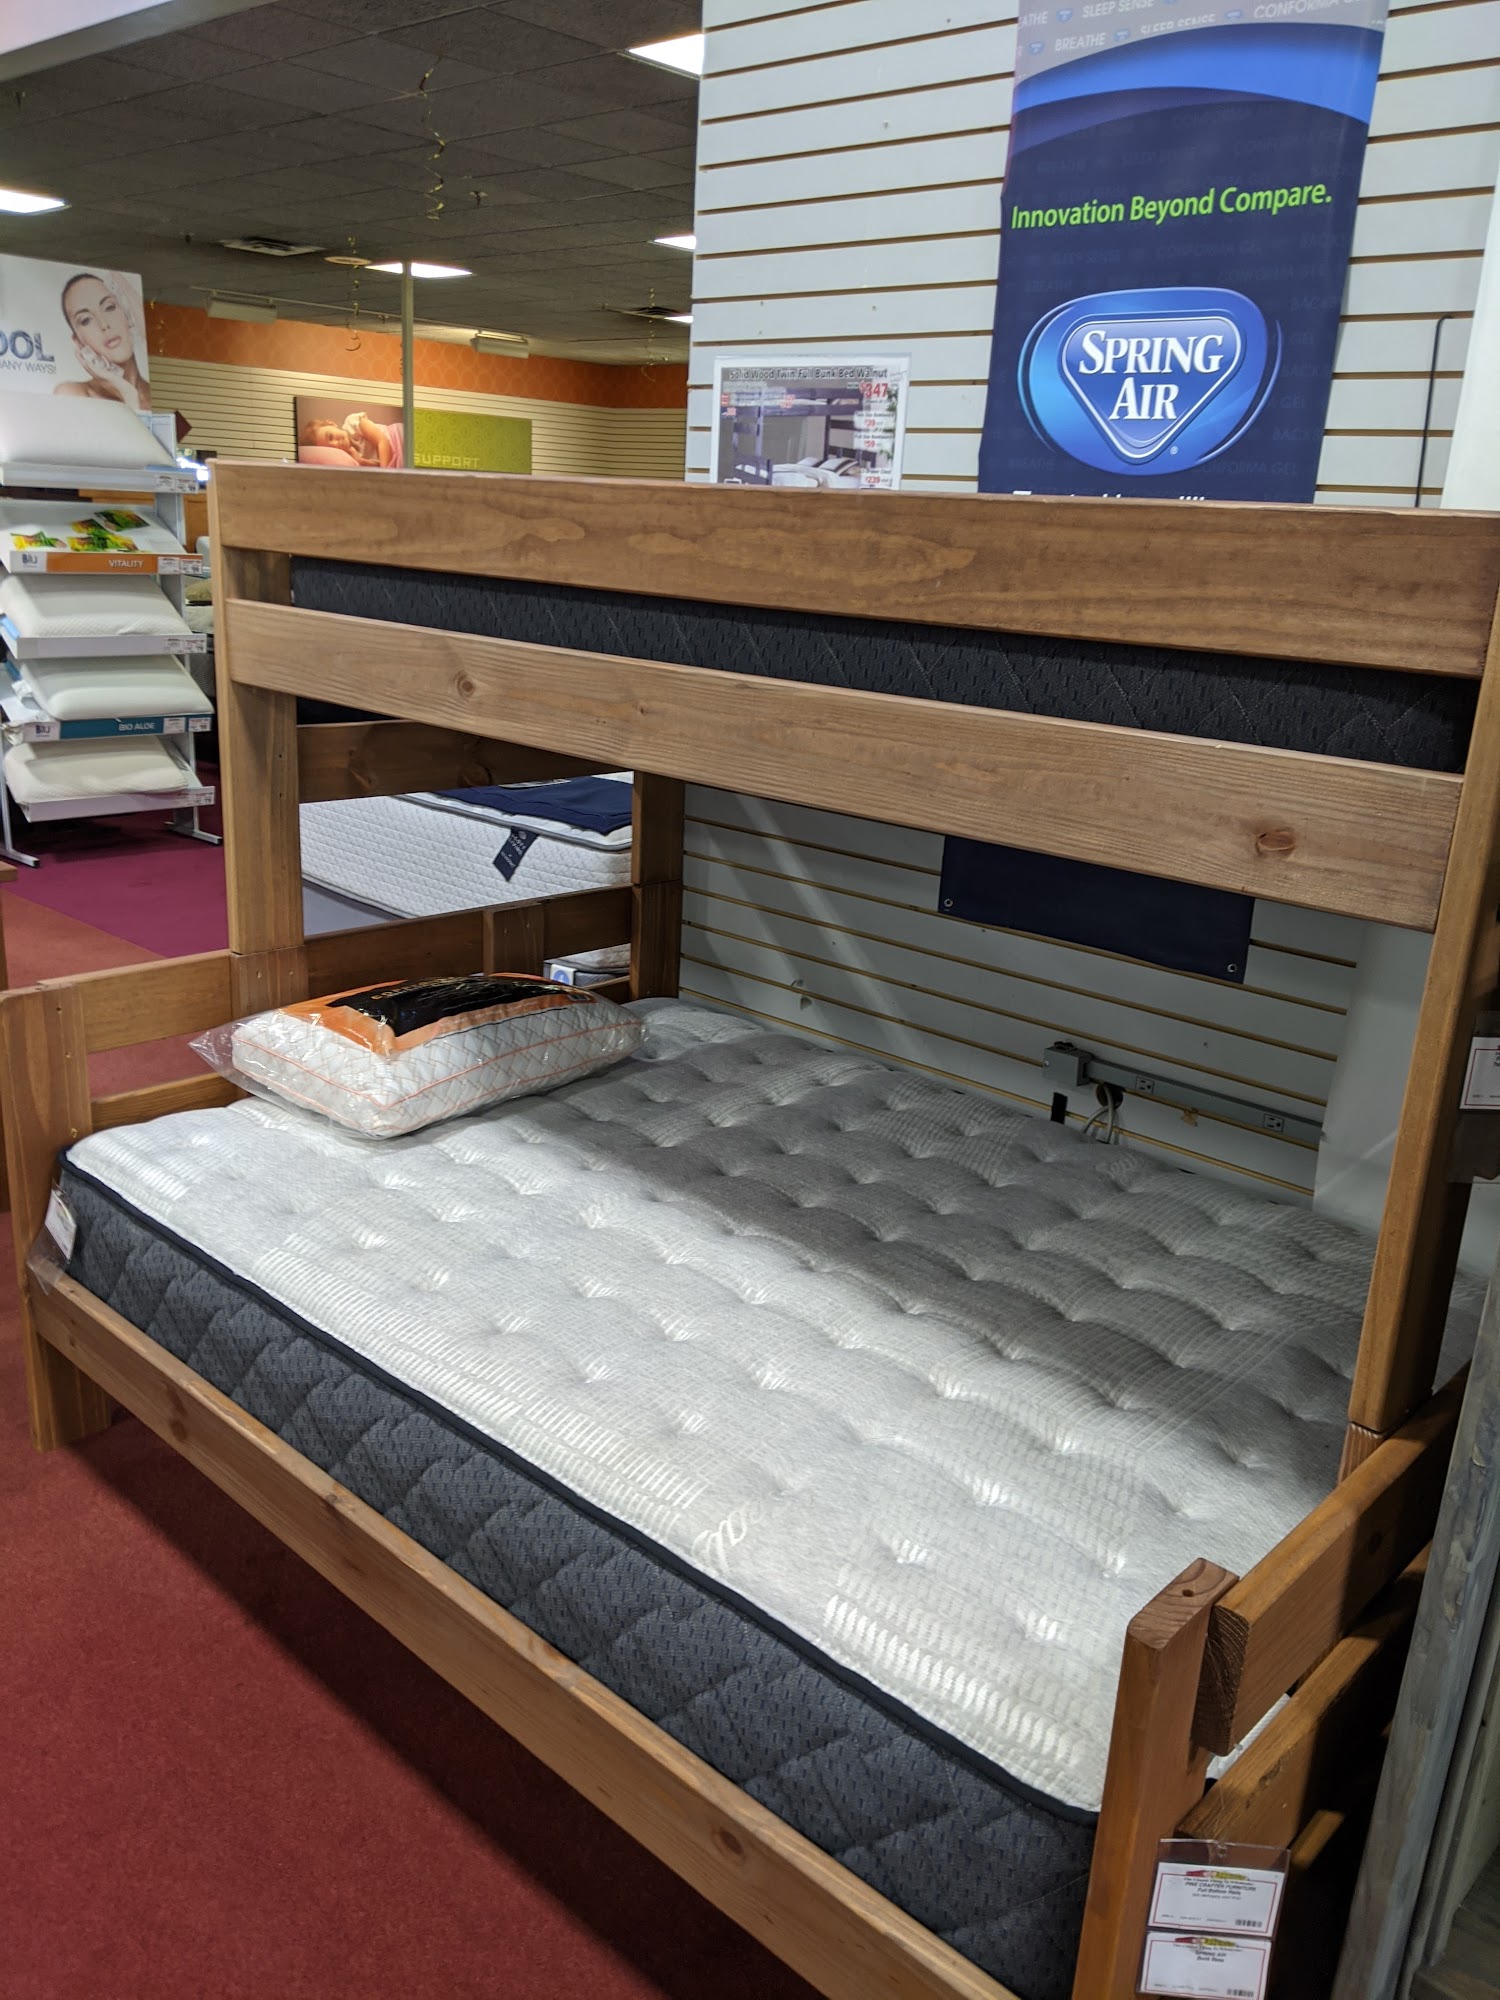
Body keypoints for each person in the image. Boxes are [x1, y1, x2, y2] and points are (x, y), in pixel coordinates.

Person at [53, 271, 149, 409]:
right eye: (86, 320)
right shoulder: (74, 394)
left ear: (128, 316)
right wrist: (126, 391)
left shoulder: (155, 399)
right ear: (78, 342)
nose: (104, 324)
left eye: (109, 307)